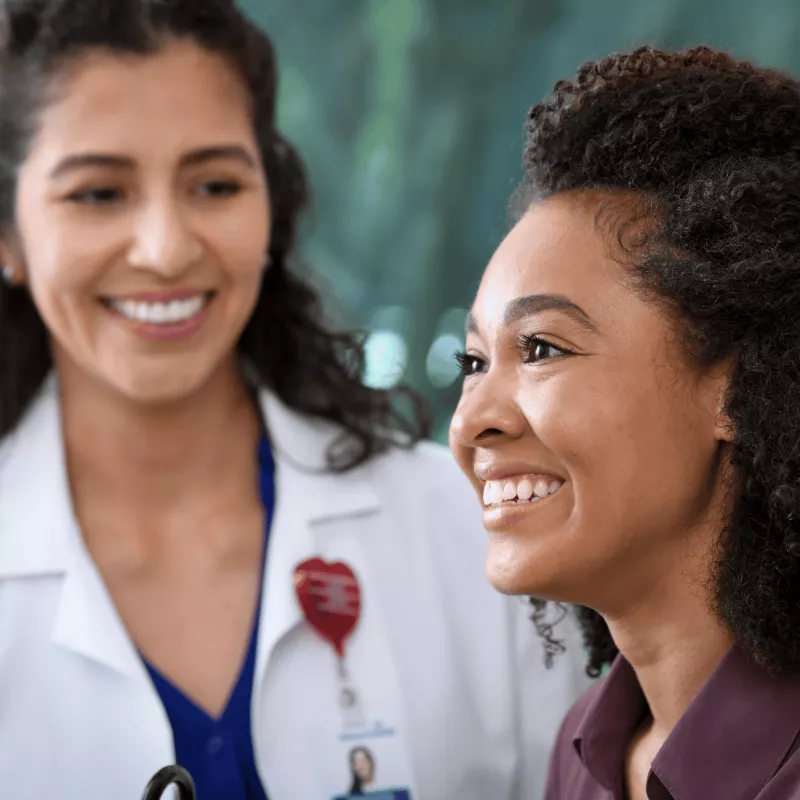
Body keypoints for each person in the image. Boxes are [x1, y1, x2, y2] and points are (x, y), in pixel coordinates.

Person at [0, 1, 591, 799]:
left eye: (214, 184)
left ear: (269, 208)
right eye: (99, 194)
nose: (167, 249)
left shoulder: (464, 528)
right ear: (9, 236)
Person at [449, 45, 800, 800]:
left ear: (736, 388)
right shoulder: (585, 754)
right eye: (473, 362)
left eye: (540, 348)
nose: (473, 420)